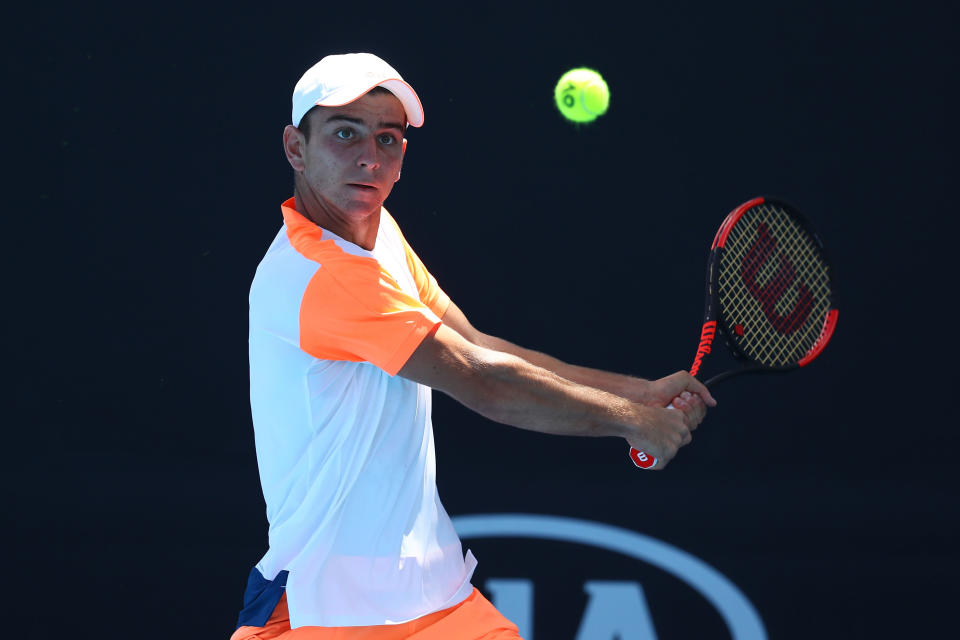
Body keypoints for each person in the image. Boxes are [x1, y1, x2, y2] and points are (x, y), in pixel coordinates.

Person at [231, 52, 716, 640]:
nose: (369, 156)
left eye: (387, 138)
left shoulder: (378, 234)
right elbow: (480, 379)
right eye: (344, 133)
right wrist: (630, 422)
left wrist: (639, 394)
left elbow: (475, 344)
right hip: (327, 610)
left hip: (432, 596)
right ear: (294, 148)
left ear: (402, 158)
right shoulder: (320, 275)